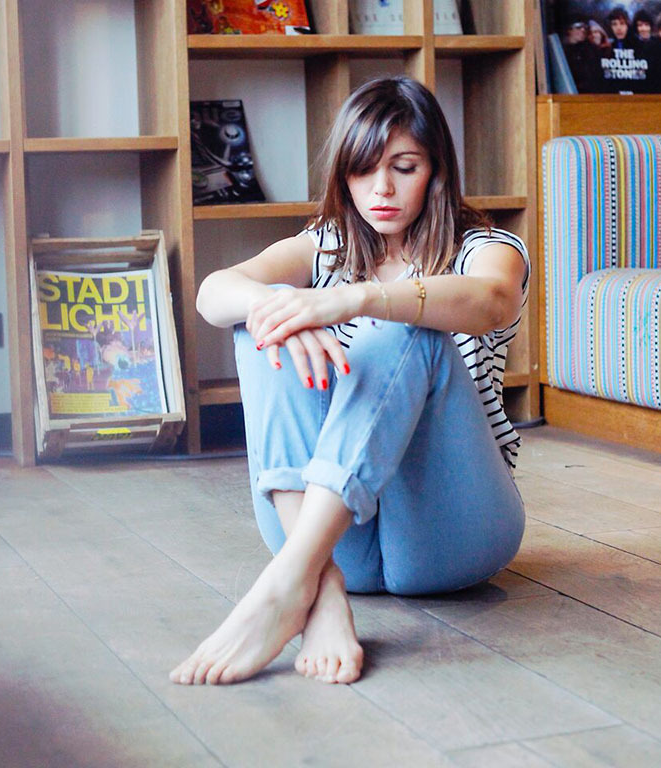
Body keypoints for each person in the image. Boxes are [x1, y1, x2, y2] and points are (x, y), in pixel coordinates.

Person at [171, 76, 529, 687]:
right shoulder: (327, 246)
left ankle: (284, 587)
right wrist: (280, 310)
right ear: (344, 176)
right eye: (363, 170)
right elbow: (212, 292)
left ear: (436, 171)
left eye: (404, 167)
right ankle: (318, 590)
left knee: (404, 327)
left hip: (452, 531)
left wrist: (354, 300)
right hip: (332, 536)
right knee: (263, 319)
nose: (381, 188)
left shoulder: (485, 248)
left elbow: (492, 300)